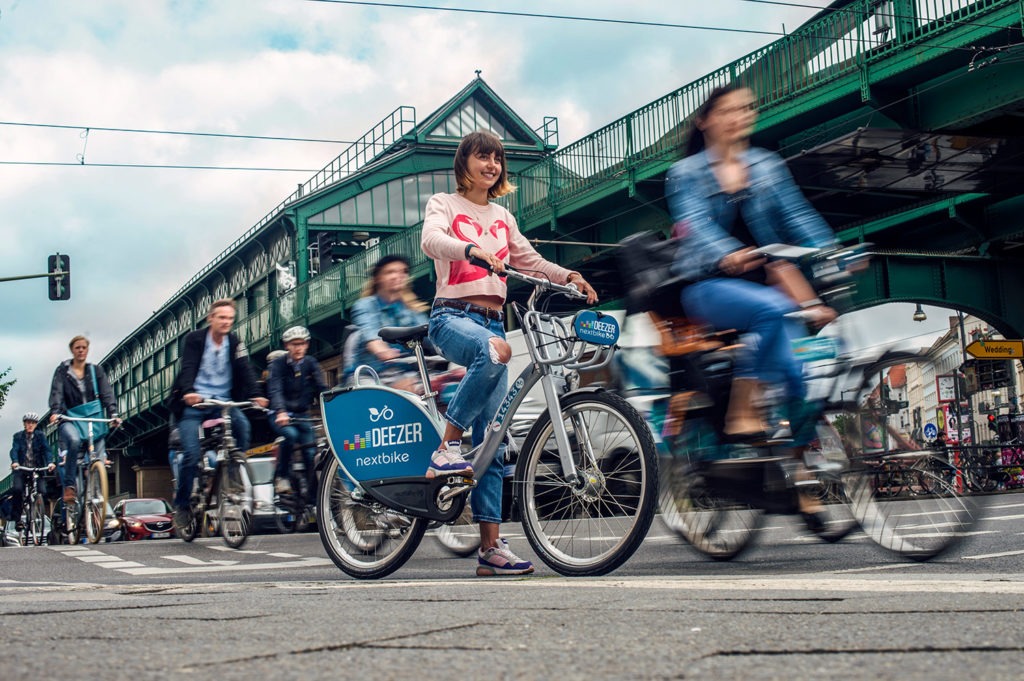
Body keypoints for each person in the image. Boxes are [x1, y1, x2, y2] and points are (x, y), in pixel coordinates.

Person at [421, 130, 597, 576]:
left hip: (495, 324)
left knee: (494, 440)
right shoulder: (443, 203)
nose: (492, 165)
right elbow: (431, 241)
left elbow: (530, 260)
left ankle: (491, 549)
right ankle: (447, 447)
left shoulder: (502, 215)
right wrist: (472, 251)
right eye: (483, 157)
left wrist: (569, 275)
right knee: (494, 353)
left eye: (498, 159)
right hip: (452, 317)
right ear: (465, 163)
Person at [667, 84, 838, 441]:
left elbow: (798, 216)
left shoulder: (768, 166)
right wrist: (725, 253)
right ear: (704, 121)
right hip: (706, 285)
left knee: (798, 376)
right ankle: (741, 411)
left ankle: (798, 480)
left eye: (746, 109)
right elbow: (694, 222)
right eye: (727, 111)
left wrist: (832, 251)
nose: (738, 117)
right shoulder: (686, 172)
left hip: (765, 283)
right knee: (774, 310)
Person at [168, 298, 268, 530]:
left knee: (242, 425)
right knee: (191, 456)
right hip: (195, 404)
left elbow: (245, 368)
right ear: (210, 318)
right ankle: (182, 505)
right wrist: (189, 391)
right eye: (221, 317)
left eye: (230, 319)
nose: (226, 322)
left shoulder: (234, 342)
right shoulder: (194, 340)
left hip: (222, 402)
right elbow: (188, 367)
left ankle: (233, 476)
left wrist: (255, 394)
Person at [48, 335, 121, 503]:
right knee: (73, 441)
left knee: (99, 460)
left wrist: (113, 413)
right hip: (69, 417)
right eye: (77, 347)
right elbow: (57, 392)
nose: (81, 350)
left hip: (93, 420)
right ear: (72, 350)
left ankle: (97, 500)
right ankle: (70, 486)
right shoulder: (63, 371)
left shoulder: (96, 371)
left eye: (84, 347)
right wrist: (56, 411)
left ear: (87, 350)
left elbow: (107, 392)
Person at [343, 254, 430, 391]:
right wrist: (383, 351)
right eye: (390, 272)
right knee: (382, 397)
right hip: (370, 375)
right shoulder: (365, 305)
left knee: (436, 389)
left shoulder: (412, 310)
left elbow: (429, 333)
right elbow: (371, 334)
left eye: (403, 272)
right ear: (378, 278)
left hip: (403, 374)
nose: (398, 276)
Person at [267, 325, 327, 495]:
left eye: (302, 344)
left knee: (311, 452)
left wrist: (333, 405)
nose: (298, 348)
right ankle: (282, 476)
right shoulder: (278, 365)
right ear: (287, 346)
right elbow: (275, 389)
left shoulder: (310, 363)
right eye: (294, 344)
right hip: (281, 414)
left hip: (301, 415)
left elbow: (321, 387)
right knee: (290, 436)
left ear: (307, 345)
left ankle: (313, 497)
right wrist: (280, 411)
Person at [9, 412, 57, 530]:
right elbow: (14, 450)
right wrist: (15, 461)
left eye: (33, 423)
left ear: (36, 425)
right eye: (28, 422)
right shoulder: (18, 436)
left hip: (37, 468)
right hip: (22, 469)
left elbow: (47, 450)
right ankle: (18, 519)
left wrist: (50, 462)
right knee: (18, 490)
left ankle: (36, 507)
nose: (30, 425)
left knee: (42, 491)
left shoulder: (41, 436)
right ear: (24, 424)